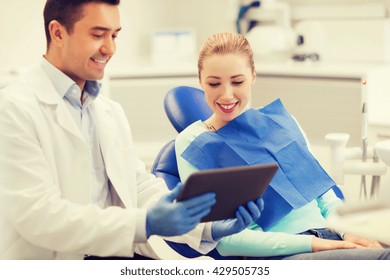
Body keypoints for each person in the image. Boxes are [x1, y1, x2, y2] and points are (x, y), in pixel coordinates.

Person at [0, 1, 264, 260]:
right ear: (58, 33)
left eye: (114, 35)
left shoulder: (108, 112)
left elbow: (139, 190)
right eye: (98, 34)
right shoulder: (12, 110)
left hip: (118, 256)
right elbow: (40, 216)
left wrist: (207, 226)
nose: (110, 48)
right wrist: (144, 223)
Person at [175, 31, 390, 260]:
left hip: (333, 239)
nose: (226, 95)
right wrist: (316, 245)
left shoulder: (281, 122)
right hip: (289, 254)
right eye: (214, 83)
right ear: (200, 80)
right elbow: (226, 241)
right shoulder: (193, 143)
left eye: (237, 81)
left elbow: (325, 197)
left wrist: (351, 234)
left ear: (254, 76)